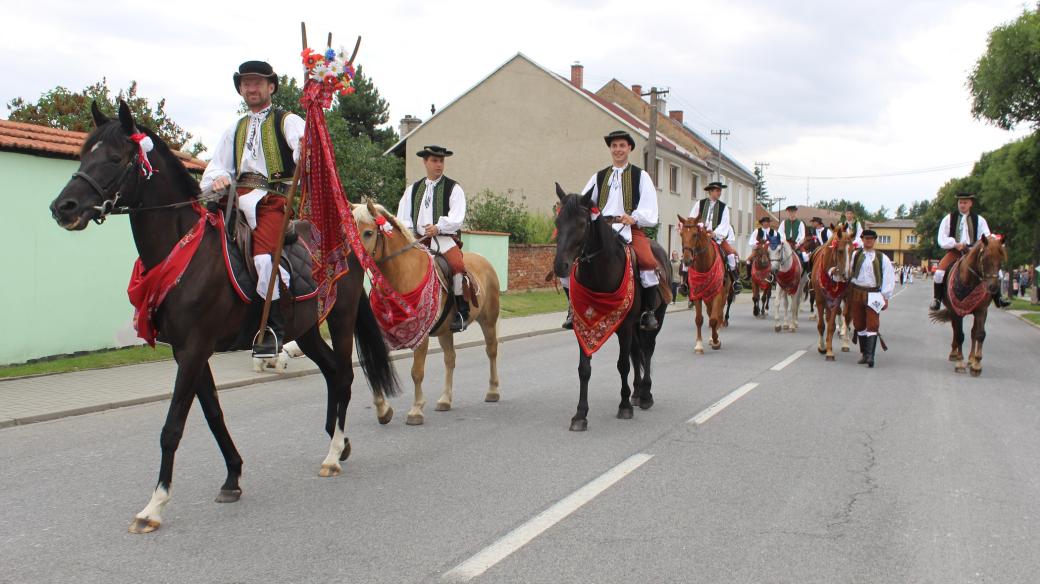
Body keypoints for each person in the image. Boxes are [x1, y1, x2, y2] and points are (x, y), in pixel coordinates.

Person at [200, 60, 305, 358]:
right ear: (241, 89)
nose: (252, 87)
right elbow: (216, 168)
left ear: (271, 87)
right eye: (246, 83)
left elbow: (304, 152)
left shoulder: (287, 120)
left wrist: (304, 148)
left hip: (271, 200)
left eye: (258, 82)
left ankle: (272, 329)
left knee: (262, 261)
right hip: (234, 198)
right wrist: (217, 180)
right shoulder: (234, 128)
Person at [581, 130, 662, 331]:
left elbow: (650, 206)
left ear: (629, 149)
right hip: (601, 229)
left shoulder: (640, 176)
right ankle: (574, 309)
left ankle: (648, 312)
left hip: (630, 228)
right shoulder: (599, 176)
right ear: (610, 149)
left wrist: (634, 217)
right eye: (614, 146)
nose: (618, 150)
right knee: (575, 260)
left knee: (648, 262)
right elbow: (584, 201)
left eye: (622, 146)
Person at [396, 145, 469, 332]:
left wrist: (438, 227)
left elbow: (457, 218)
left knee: (457, 266)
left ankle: (461, 310)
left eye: (441, 161)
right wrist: (410, 232)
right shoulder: (413, 189)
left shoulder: (454, 188)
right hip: (417, 240)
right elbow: (403, 217)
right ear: (425, 162)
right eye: (434, 161)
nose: (439, 165)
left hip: (443, 239)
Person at [930, 192, 1010, 310]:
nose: (962, 205)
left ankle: (998, 297)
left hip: (975, 252)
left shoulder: (979, 219)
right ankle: (937, 299)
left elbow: (986, 236)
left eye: (965, 202)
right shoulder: (949, 218)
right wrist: (955, 244)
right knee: (939, 272)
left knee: (996, 271)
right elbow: (941, 238)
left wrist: (991, 242)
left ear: (970, 203)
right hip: (955, 251)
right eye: (960, 202)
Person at [848, 230, 895, 368]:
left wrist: (886, 296)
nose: (868, 241)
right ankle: (864, 353)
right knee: (858, 324)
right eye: (866, 238)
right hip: (857, 292)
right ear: (862, 239)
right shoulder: (855, 255)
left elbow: (888, 277)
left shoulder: (882, 258)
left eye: (871, 238)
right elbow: (848, 270)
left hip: (874, 294)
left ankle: (871, 356)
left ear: (874, 240)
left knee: (873, 324)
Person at [689, 181, 742, 292]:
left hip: (717, 238)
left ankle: (735, 280)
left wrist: (715, 233)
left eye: (720, 191)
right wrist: (700, 228)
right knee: (687, 254)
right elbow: (692, 218)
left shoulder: (724, 207)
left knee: (731, 254)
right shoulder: (700, 204)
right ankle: (685, 282)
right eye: (717, 190)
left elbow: (725, 223)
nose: (719, 193)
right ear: (711, 191)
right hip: (701, 236)